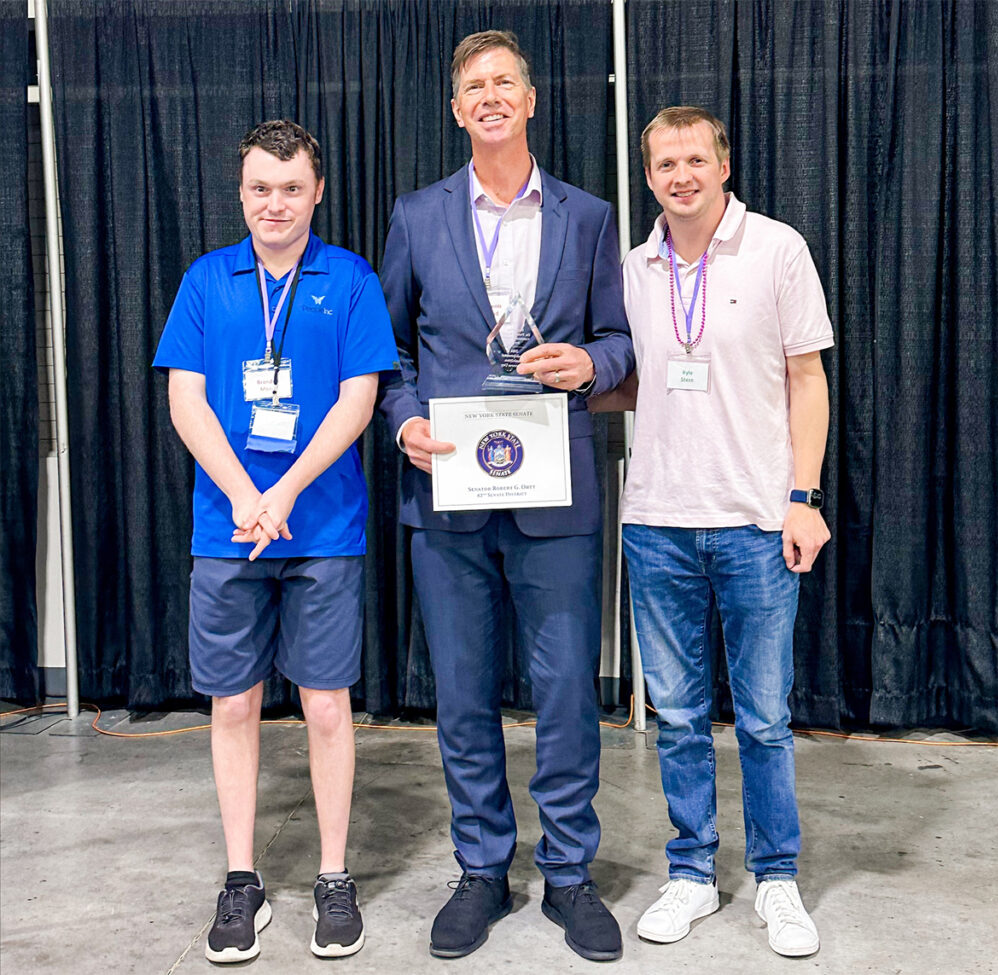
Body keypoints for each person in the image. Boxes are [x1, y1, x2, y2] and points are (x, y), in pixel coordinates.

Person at [378, 30, 634, 964]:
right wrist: (404, 422)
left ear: (530, 100)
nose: (489, 96)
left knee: (566, 691)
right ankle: (482, 868)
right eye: (473, 86)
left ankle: (568, 873)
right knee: (462, 693)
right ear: (457, 110)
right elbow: (388, 353)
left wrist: (590, 363)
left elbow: (622, 340)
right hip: (448, 492)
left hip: (555, 492)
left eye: (504, 83)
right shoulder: (416, 215)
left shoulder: (589, 217)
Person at [153, 120, 398, 963]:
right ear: (241, 192)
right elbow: (186, 400)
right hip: (229, 529)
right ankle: (241, 878)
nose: (275, 204)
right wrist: (244, 494)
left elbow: (359, 401)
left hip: (323, 527)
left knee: (326, 703)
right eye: (261, 188)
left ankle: (333, 875)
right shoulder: (205, 280)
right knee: (233, 702)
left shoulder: (352, 279)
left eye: (291, 188)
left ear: (317, 192)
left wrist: (285, 490)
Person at [617, 106, 832, 957]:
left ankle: (776, 876)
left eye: (695, 160)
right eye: (665, 164)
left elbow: (806, 378)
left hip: (754, 522)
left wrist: (803, 497)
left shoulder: (777, 248)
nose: (682, 176)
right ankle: (693, 872)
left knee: (765, 718)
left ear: (724, 165)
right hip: (657, 522)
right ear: (649, 177)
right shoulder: (634, 267)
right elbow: (636, 379)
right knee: (676, 715)